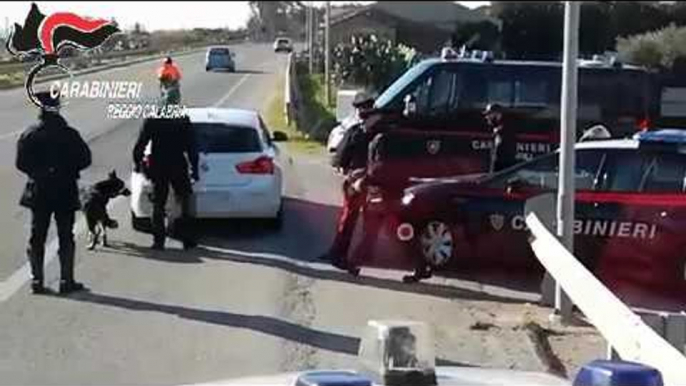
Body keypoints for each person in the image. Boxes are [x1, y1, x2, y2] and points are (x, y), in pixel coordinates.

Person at [16, 92, 92, 295]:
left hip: (40, 190)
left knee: (37, 235)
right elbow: (85, 159)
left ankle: (37, 281)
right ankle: (67, 280)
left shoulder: (30, 134)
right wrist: (66, 169)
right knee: (66, 235)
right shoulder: (69, 134)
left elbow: (21, 163)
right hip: (64, 190)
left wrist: (39, 173)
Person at [319, 93, 376, 275]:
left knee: (349, 219)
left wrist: (343, 168)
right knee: (366, 220)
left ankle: (341, 255)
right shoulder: (377, 129)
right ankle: (348, 254)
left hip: (357, 180)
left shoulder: (359, 130)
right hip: (368, 180)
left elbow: (341, 156)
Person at [132, 98, 198, 250]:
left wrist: (139, 165)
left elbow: (140, 146)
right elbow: (192, 147)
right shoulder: (182, 121)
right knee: (184, 202)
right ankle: (186, 239)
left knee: (158, 203)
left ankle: (158, 240)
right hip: (178, 164)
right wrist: (194, 168)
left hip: (158, 164)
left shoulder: (153, 120)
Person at [484, 103, 517, 173]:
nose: (487, 117)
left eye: (489, 114)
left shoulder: (506, 129)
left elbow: (504, 155)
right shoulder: (497, 128)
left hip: (503, 169)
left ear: (497, 114)